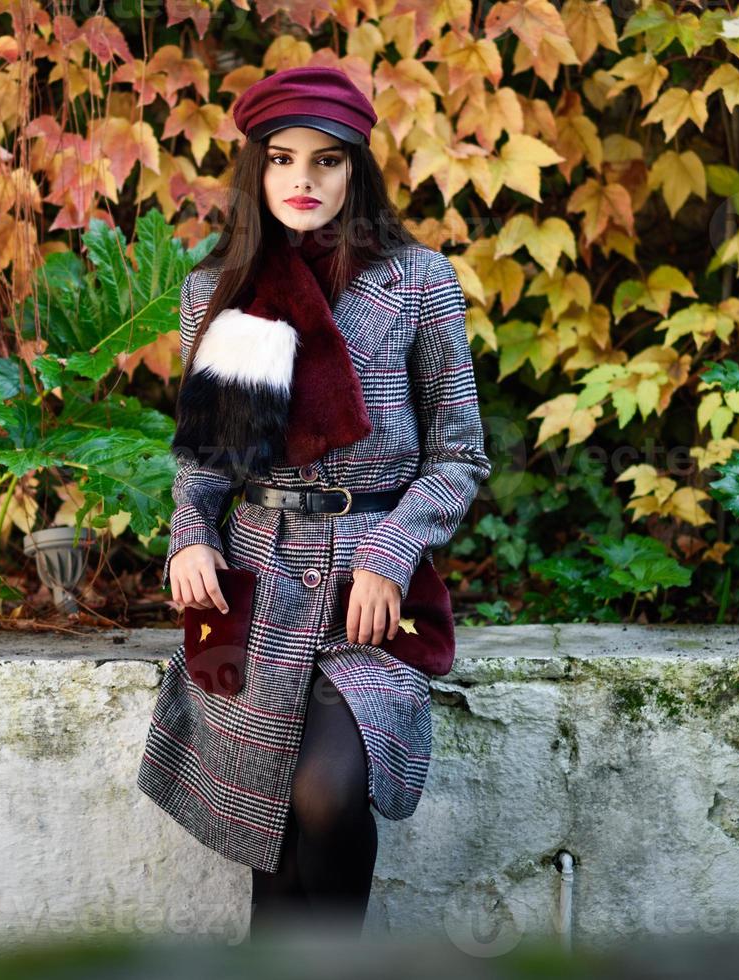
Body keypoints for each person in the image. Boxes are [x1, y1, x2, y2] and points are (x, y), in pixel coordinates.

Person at [136, 64, 493, 941]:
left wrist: (389, 552)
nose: (304, 181)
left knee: (326, 794)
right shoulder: (219, 291)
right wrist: (189, 537)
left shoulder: (416, 283)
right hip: (255, 587)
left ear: (356, 170)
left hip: (369, 592)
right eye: (283, 160)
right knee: (278, 819)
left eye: (327, 162)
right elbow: (210, 463)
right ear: (256, 172)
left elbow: (457, 455)